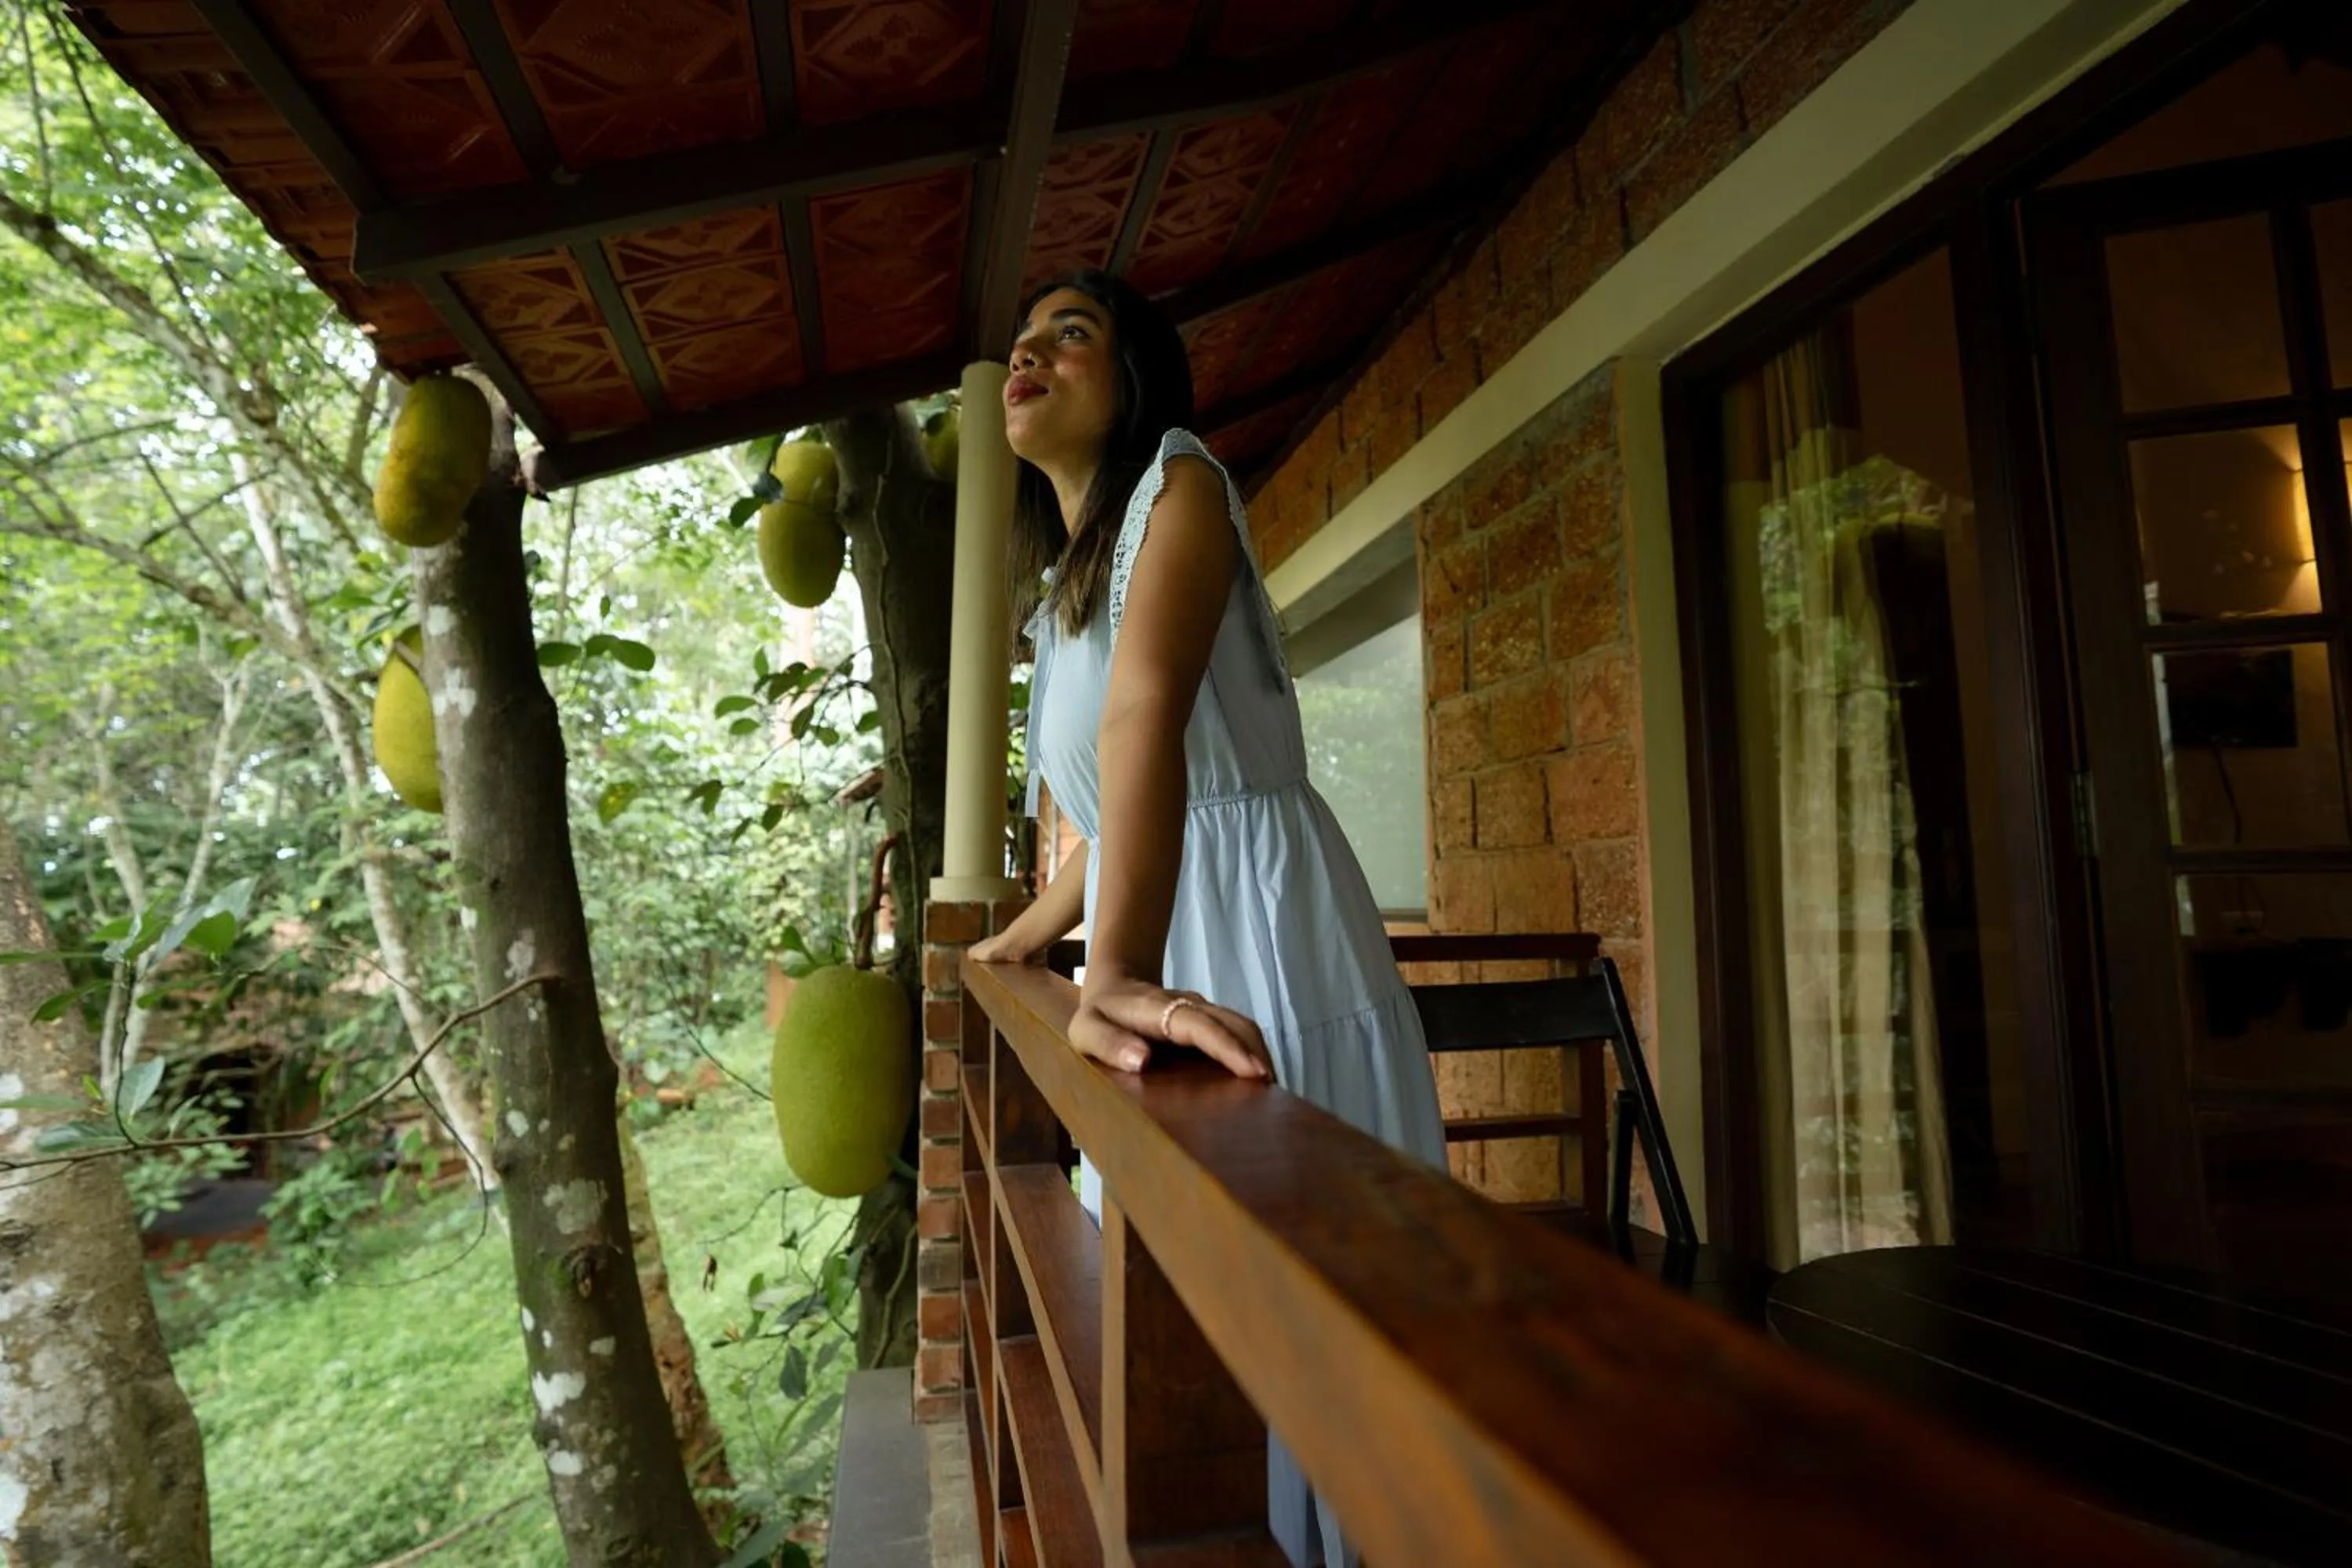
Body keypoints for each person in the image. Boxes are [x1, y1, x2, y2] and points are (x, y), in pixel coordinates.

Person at [967, 268, 1446, 1568]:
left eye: (1073, 333)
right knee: (1199, 1320)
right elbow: (1119, 809)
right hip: (1183, 908)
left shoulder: (1175, 485)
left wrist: (1110, 968)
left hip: (1266, 929)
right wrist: (1027, 937)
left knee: (1309, 1311)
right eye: (1022, 340)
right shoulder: (1064, 591)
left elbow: (1148, 722)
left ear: (1136, 380)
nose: (1032, 353)